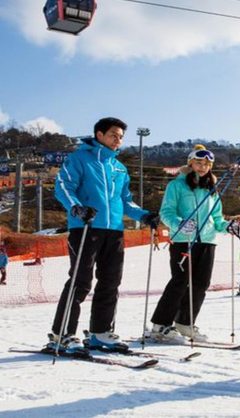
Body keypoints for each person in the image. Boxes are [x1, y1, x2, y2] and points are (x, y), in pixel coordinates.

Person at [49, 117, 160, 353]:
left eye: (120, 137)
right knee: (80, 281)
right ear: (99, 135)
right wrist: (77, 208)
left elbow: (125, 201)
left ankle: (100, 332)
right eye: (113, 135)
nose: (117, 140)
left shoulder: (119, 167)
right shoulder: (79, 158)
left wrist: (144, 216)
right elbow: (63, 187)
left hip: (114, 231)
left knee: (110, 281)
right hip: (86, 226)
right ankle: (63, 334)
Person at [150, 145, 239, 342]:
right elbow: (167, 212)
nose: (202, 167)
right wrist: (179, 224)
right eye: (198, 163)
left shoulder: (212, 189)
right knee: (180, 281)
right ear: (190, 163)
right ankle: (160, 324)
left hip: (207, 241)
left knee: (201, 284)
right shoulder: (177, 185)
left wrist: (228, 227)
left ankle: (185, 322)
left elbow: (217, 220)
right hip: (183, 240)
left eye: (207, 164)